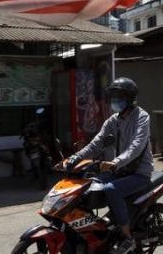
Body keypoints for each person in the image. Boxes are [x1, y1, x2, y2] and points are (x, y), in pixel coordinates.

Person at [64, 77, 153, 254]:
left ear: (129, 98)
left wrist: (115, 162)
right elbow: (95, 144)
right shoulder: (113, 121)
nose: (114, 100)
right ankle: (94, 234)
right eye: (112, 96)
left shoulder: (142, 117)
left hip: (139, 173)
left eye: (118, 96)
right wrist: (74, 158)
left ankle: (127, 238)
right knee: (85, 187)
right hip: (118, 171)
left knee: (111, 189)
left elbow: (137, 146)